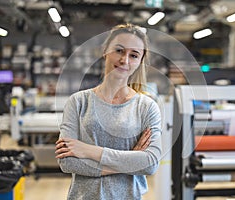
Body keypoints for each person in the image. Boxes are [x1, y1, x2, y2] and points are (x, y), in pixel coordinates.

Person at [55, 23, 162, 199]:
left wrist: (89, 151)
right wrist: (131, 160)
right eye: (119, 50)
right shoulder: (78, 102)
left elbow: (150, 163)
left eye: (133, 55)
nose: (125, 60)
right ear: (105, 50)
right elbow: (67, 162)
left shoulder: (146, 107)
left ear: (139, 62)